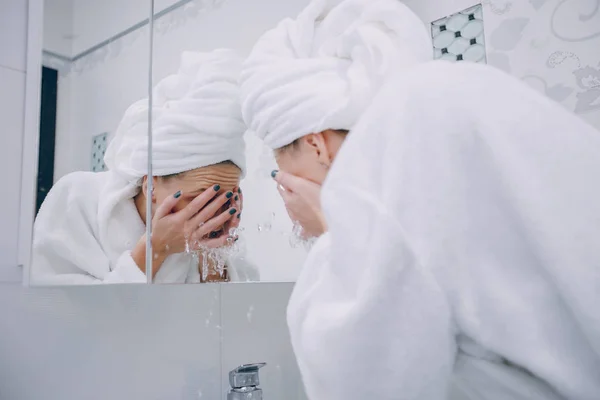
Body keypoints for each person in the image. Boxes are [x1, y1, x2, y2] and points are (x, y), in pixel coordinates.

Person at [240, 0, 600, 399]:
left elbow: (363, 383)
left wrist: (329, 228)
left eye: (284, 173)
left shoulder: (398, 149)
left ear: (316, 145)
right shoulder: (464, 99)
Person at [32, 49, 258, 285]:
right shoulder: (77, 197)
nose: (214, 214)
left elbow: (225, 315)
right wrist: (155, 248)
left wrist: (211, 254)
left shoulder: (221, 228)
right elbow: (61, 311)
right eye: (200, 200)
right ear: (151, 184)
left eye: (226, 200)